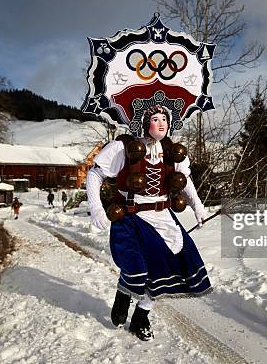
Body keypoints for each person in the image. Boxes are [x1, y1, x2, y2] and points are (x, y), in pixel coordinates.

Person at [86, 105, 211, 341]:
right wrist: (96, 207)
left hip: (163, 216)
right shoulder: (122, 147)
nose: (162, 123)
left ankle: (141, 316)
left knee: (172, 266)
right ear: (144, 122)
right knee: (137, 269)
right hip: (131, 217)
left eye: (165, 118)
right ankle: (125, 291)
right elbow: (95, 175)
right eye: (155, 118)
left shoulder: (172, 150)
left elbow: (185, 181)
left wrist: (198, 207)